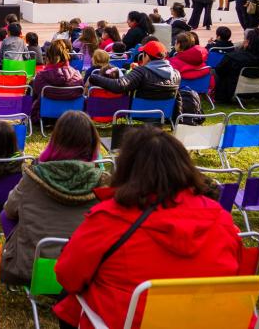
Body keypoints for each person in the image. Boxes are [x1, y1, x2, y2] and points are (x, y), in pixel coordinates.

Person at [52, 127, 242, 329]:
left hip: (131, 321)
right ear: (184, 166)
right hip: (206, 321)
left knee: (67, 299)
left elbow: (68, 276)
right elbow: (236, 272)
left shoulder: (109, 218)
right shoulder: (220, 218)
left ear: (126, 168)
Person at [0, 111, 108, 286]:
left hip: (30, 270)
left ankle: (22, 254)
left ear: (56, 139)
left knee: (6, 216)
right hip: (81, 271)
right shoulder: (103, 184)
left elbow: (9, 211)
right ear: (92, 142)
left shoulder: (33, 178)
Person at [88, 40, 181, 110]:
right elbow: (177, 98)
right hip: (163, 116)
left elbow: (118, 85)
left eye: (143, 54)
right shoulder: (176, 74)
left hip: (138, 115)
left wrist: (93, 77)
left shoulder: (141, 72)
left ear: (147, 56)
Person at [212, 27, 259, 106]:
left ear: (247, 42)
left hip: (234, 91)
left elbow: (219, 70)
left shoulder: (233, 57)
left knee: (214, 70)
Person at [30, 40, 84, 121]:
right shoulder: (77, 75)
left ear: (48, 57)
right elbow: (80, 93)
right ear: (66, 56)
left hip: (45, 116)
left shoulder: (41, 77)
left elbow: (36, 93)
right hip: (71, 116)